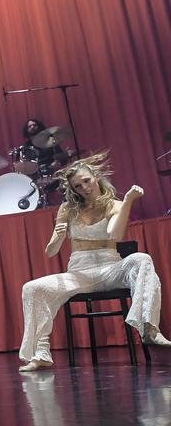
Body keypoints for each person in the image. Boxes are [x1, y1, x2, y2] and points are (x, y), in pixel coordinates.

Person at [18, 153, 171, 371]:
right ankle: (40, 354)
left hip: (110, 269)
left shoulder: (114, 205)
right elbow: (50, 252)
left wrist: (128, 201)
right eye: (78, 186)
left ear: (96, 177)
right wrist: (59, 237)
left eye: (86, 181)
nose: (84, 188)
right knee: (31, 288)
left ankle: (148, 327)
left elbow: (115, 234)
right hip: (79, 273)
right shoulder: (67, 209)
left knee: (141, 259)